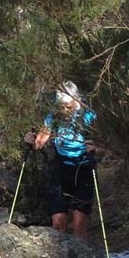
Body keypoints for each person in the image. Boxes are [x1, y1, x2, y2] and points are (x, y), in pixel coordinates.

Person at [33, 81, 98, 238]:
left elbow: (103, 142)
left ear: (76, 101)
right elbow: (39, 142)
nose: (64, 110)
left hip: (83, 168)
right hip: (61, 168)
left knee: (78, 224)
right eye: (60, 106)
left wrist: (94, 147)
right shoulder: (54, 117)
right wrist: (32, 140)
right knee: (58, 221)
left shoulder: (88, 116)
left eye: (67, 106)